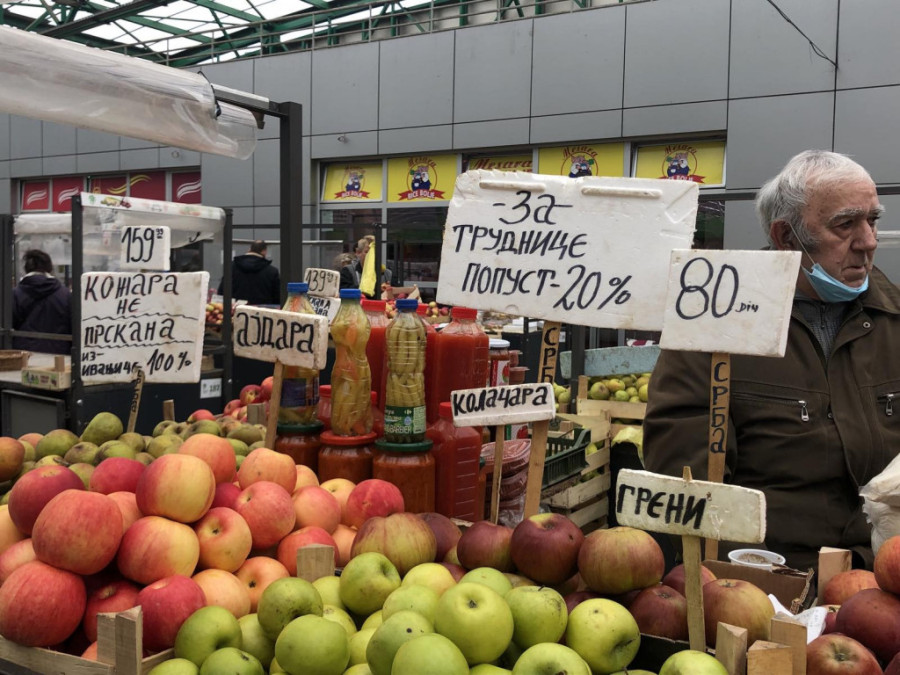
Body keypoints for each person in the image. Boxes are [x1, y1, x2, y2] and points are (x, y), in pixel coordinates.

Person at [643, 150, 900, 573]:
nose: (868, 241)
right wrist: (739, 577)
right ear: (785, 237)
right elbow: (684, 475)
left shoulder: (893, 319)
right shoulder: (715, 324)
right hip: (767, 578)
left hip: (883, 576)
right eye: (845, 224)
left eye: (872, 219)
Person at [12, 249, 72, 355]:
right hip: (59, 355)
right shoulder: (66, 295)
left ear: (26, 269)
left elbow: (9, 325)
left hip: (24, 355)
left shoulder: (15, 294)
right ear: (50, 268)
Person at [218, 240, 280, 306]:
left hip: (235, 312)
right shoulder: (272, 271)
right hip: (261, 314)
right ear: (264, 251)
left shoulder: (231, 267)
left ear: (249, 249)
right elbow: (277, 299)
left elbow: (222, 292)